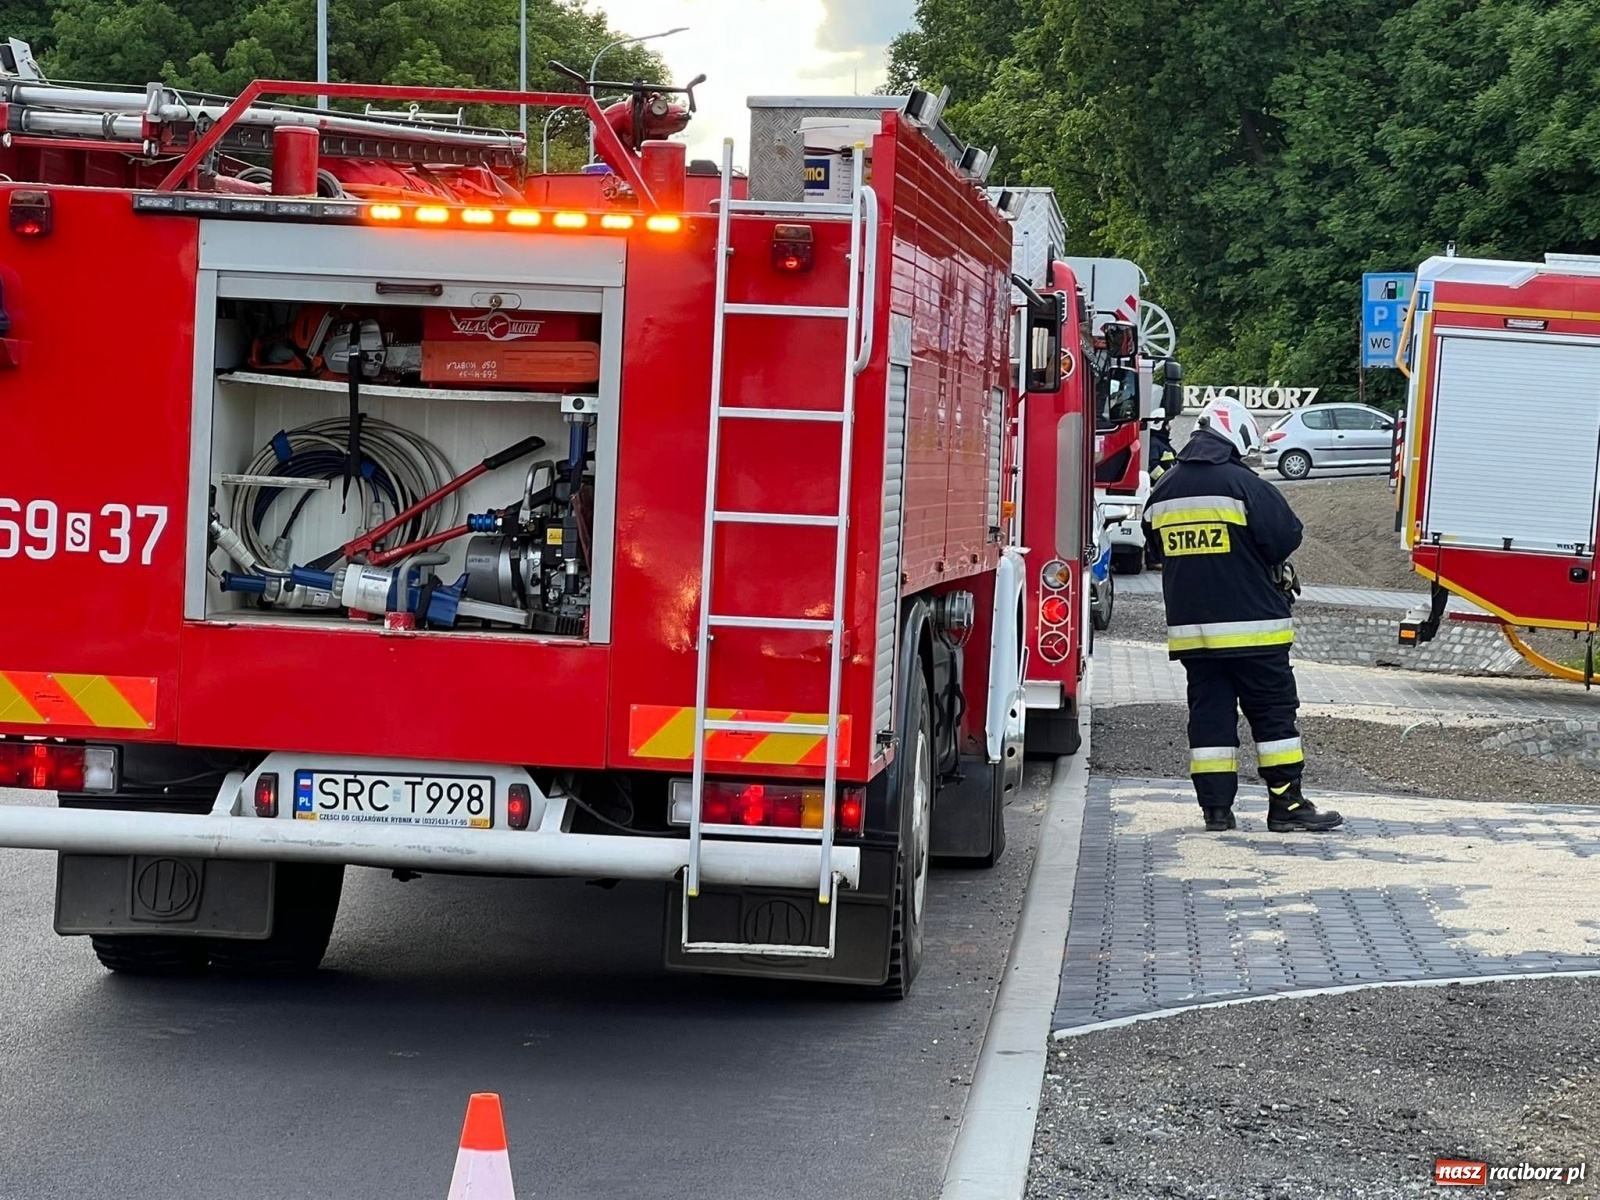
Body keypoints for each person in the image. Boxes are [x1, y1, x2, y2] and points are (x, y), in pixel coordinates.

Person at [1141, 402, 1343, 834]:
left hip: (1194, 636)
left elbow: (1156, 552)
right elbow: (1285, 537)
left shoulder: (1163, 491)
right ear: (1235, 436)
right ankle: (1286, 806)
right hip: (1255, 631)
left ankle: (1216, 811)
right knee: (1273, 716)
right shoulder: (1245, 485)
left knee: (1210, 716)